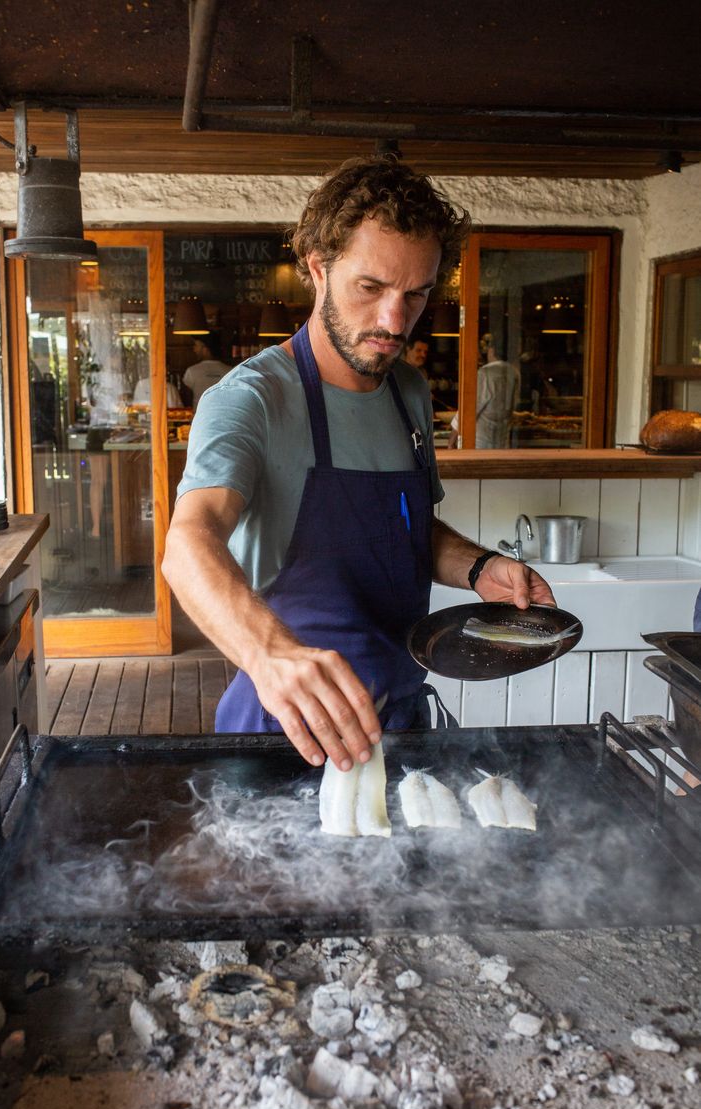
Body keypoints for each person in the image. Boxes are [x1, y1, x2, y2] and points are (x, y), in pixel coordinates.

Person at [163, 156, 554, 772]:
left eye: (416, 295)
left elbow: (407, 529)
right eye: (371, 289)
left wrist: (479, 567)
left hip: (399, 716)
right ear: (319, 269)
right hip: (286, 726)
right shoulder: (251, 398)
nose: (394, 321)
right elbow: (188, 542)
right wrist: (270, 656)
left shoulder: (410, 393)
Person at [449, 333, 521, 449]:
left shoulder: (485, 374)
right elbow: (514, 404)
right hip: (503, 442)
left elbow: (469, 409)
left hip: (479, 443)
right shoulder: (514, 373)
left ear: (491, 350)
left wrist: (452, 438)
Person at [182, 331, 231, 409]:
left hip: (199, 418)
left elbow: (186, 399)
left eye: (196, 345)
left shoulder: (192, 371)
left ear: (205, 349)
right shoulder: (229, 371)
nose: (194, 349)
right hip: (224, 416)